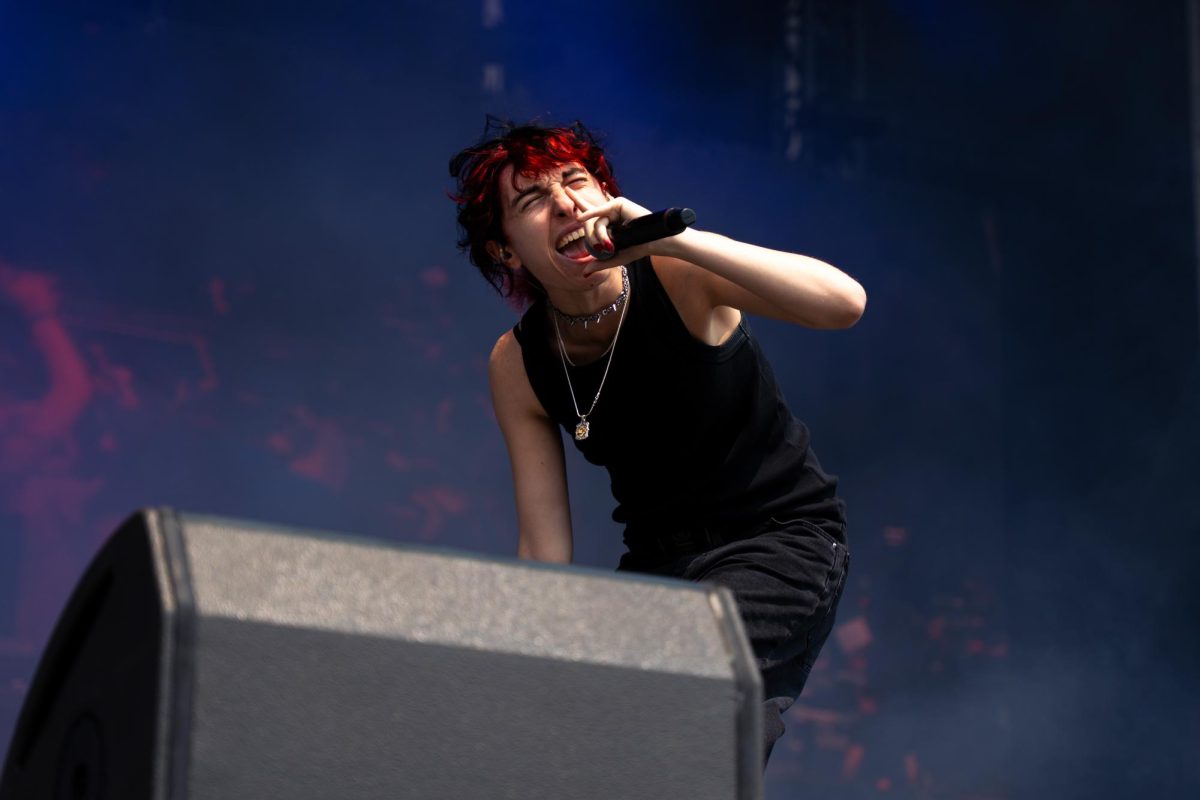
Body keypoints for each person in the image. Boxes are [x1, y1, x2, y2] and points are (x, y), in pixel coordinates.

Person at [449, 119, 865, 767]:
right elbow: (544, 550)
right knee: (596, 737)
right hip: (658, 571)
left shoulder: (677, 273)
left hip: (778, 541)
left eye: (577, 182)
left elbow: (844, 303)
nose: (566, 203)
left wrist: (678, 240)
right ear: (505, 251)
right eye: (531, 200)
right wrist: (517, 668)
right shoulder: (518, 362)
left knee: (678, 692)